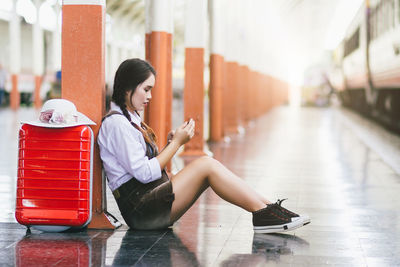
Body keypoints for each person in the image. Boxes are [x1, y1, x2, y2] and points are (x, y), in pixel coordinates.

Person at [98, 58, 310, 233]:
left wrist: (171, 144)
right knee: (206, 165)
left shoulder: (128, 119)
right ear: (127, 88)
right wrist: (177, 145)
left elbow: (143, 168)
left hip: (147, 202)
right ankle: (264, 214)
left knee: (208, 166)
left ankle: (268, 209)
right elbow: (144, 173)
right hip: (141, 211)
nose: (150, 96)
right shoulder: (116, 124)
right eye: (146, 89)